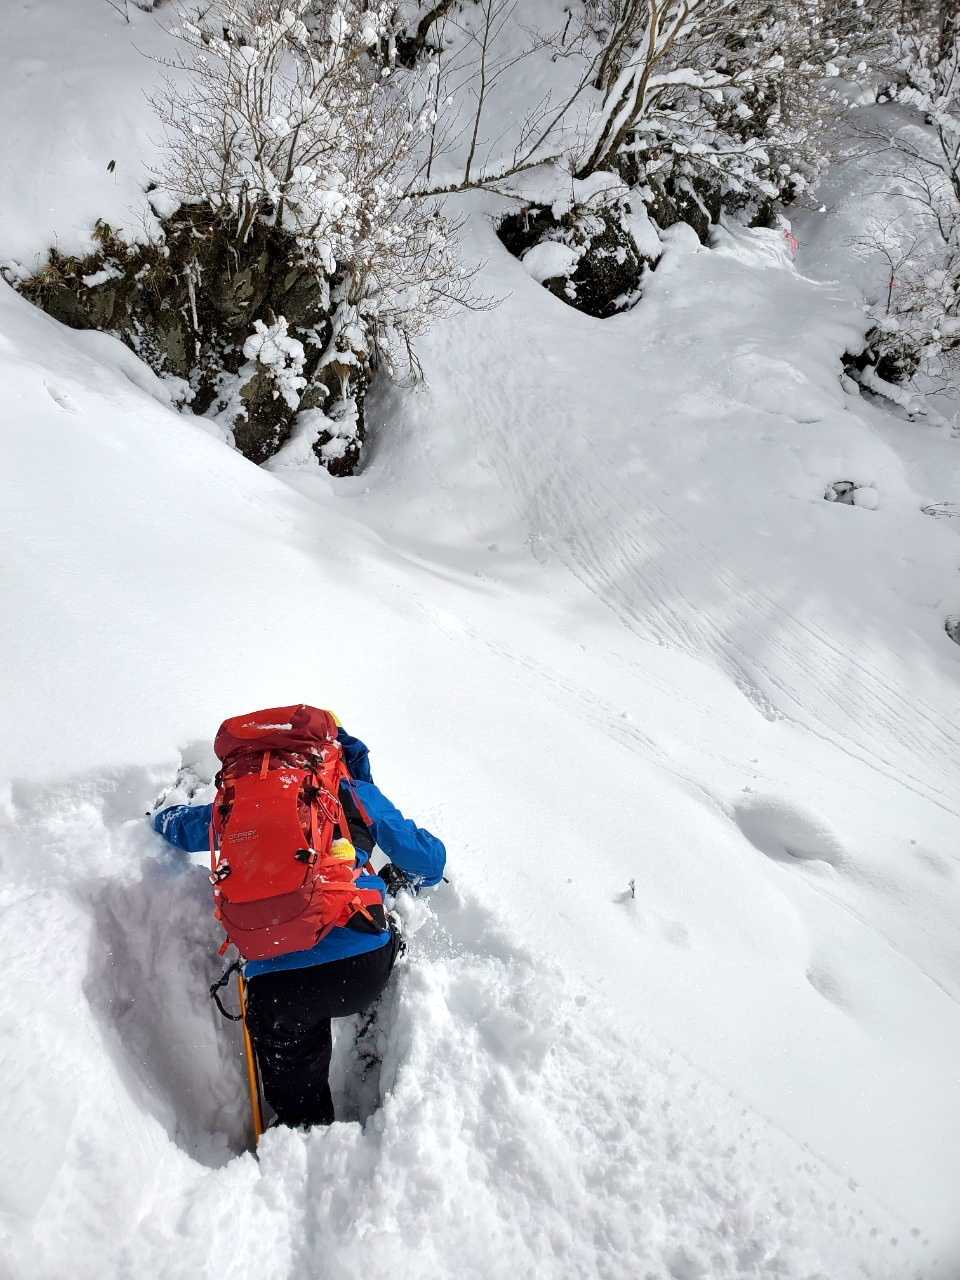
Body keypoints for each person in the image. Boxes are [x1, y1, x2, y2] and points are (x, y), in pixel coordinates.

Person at [152, 720, 445, 1128]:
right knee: (381, 910)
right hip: (360, 968)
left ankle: (306, 1131)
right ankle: (385, 969)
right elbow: (428, 861)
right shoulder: (346, 787)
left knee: (298, 1097)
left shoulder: (241, 799)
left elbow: (181, 829)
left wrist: (160, 817)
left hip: (276, 987)